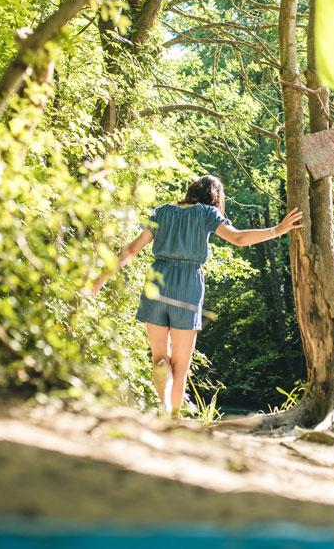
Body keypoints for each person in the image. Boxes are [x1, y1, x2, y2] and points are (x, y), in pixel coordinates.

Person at [91, 175, 302, 416]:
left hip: (157, 281)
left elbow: (132, 249)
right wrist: (278, 229)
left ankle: (163, 406)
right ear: (215, 197)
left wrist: (100, 279)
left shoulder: (161, 212)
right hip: (188, 286)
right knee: (180, 367)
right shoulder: (207, 213)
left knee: (160, 358)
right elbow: (239, 238)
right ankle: (172, 417)